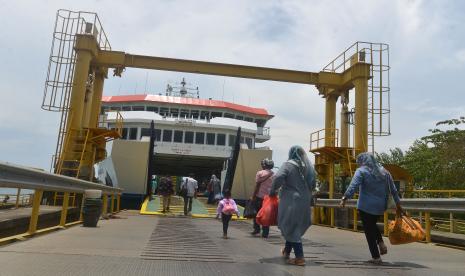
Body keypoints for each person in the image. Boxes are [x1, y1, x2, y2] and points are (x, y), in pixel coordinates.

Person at [340, 152, 403, 264]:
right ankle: (381, 243)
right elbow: (393, 190)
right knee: (372, 224)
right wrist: (398, 205)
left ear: (362, 161)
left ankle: (376, 257)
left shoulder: (361, 171)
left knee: (369, 231)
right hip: (380, 207)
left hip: (365, 206)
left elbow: (353, 185)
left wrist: (345, 198)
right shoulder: (385, 172)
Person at [269, 145, 315, 266]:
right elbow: (313, 183)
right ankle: (286, 251)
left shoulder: (288, 164)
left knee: (290, 225)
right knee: (294, 225)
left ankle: (300, 257)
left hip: (291, 200)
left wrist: (272, 190)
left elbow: (278, 177)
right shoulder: (308, 167)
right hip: (305, 200)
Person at [251, 158, 274, 238]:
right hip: (269, 198)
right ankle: (265, 232)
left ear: (264, 165)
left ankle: (256, 229)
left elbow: (257, 185)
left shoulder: (260, 173)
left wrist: (253, 196)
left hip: (259, 197)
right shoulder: (274, 174)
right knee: (266, 215)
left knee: (256, 213)